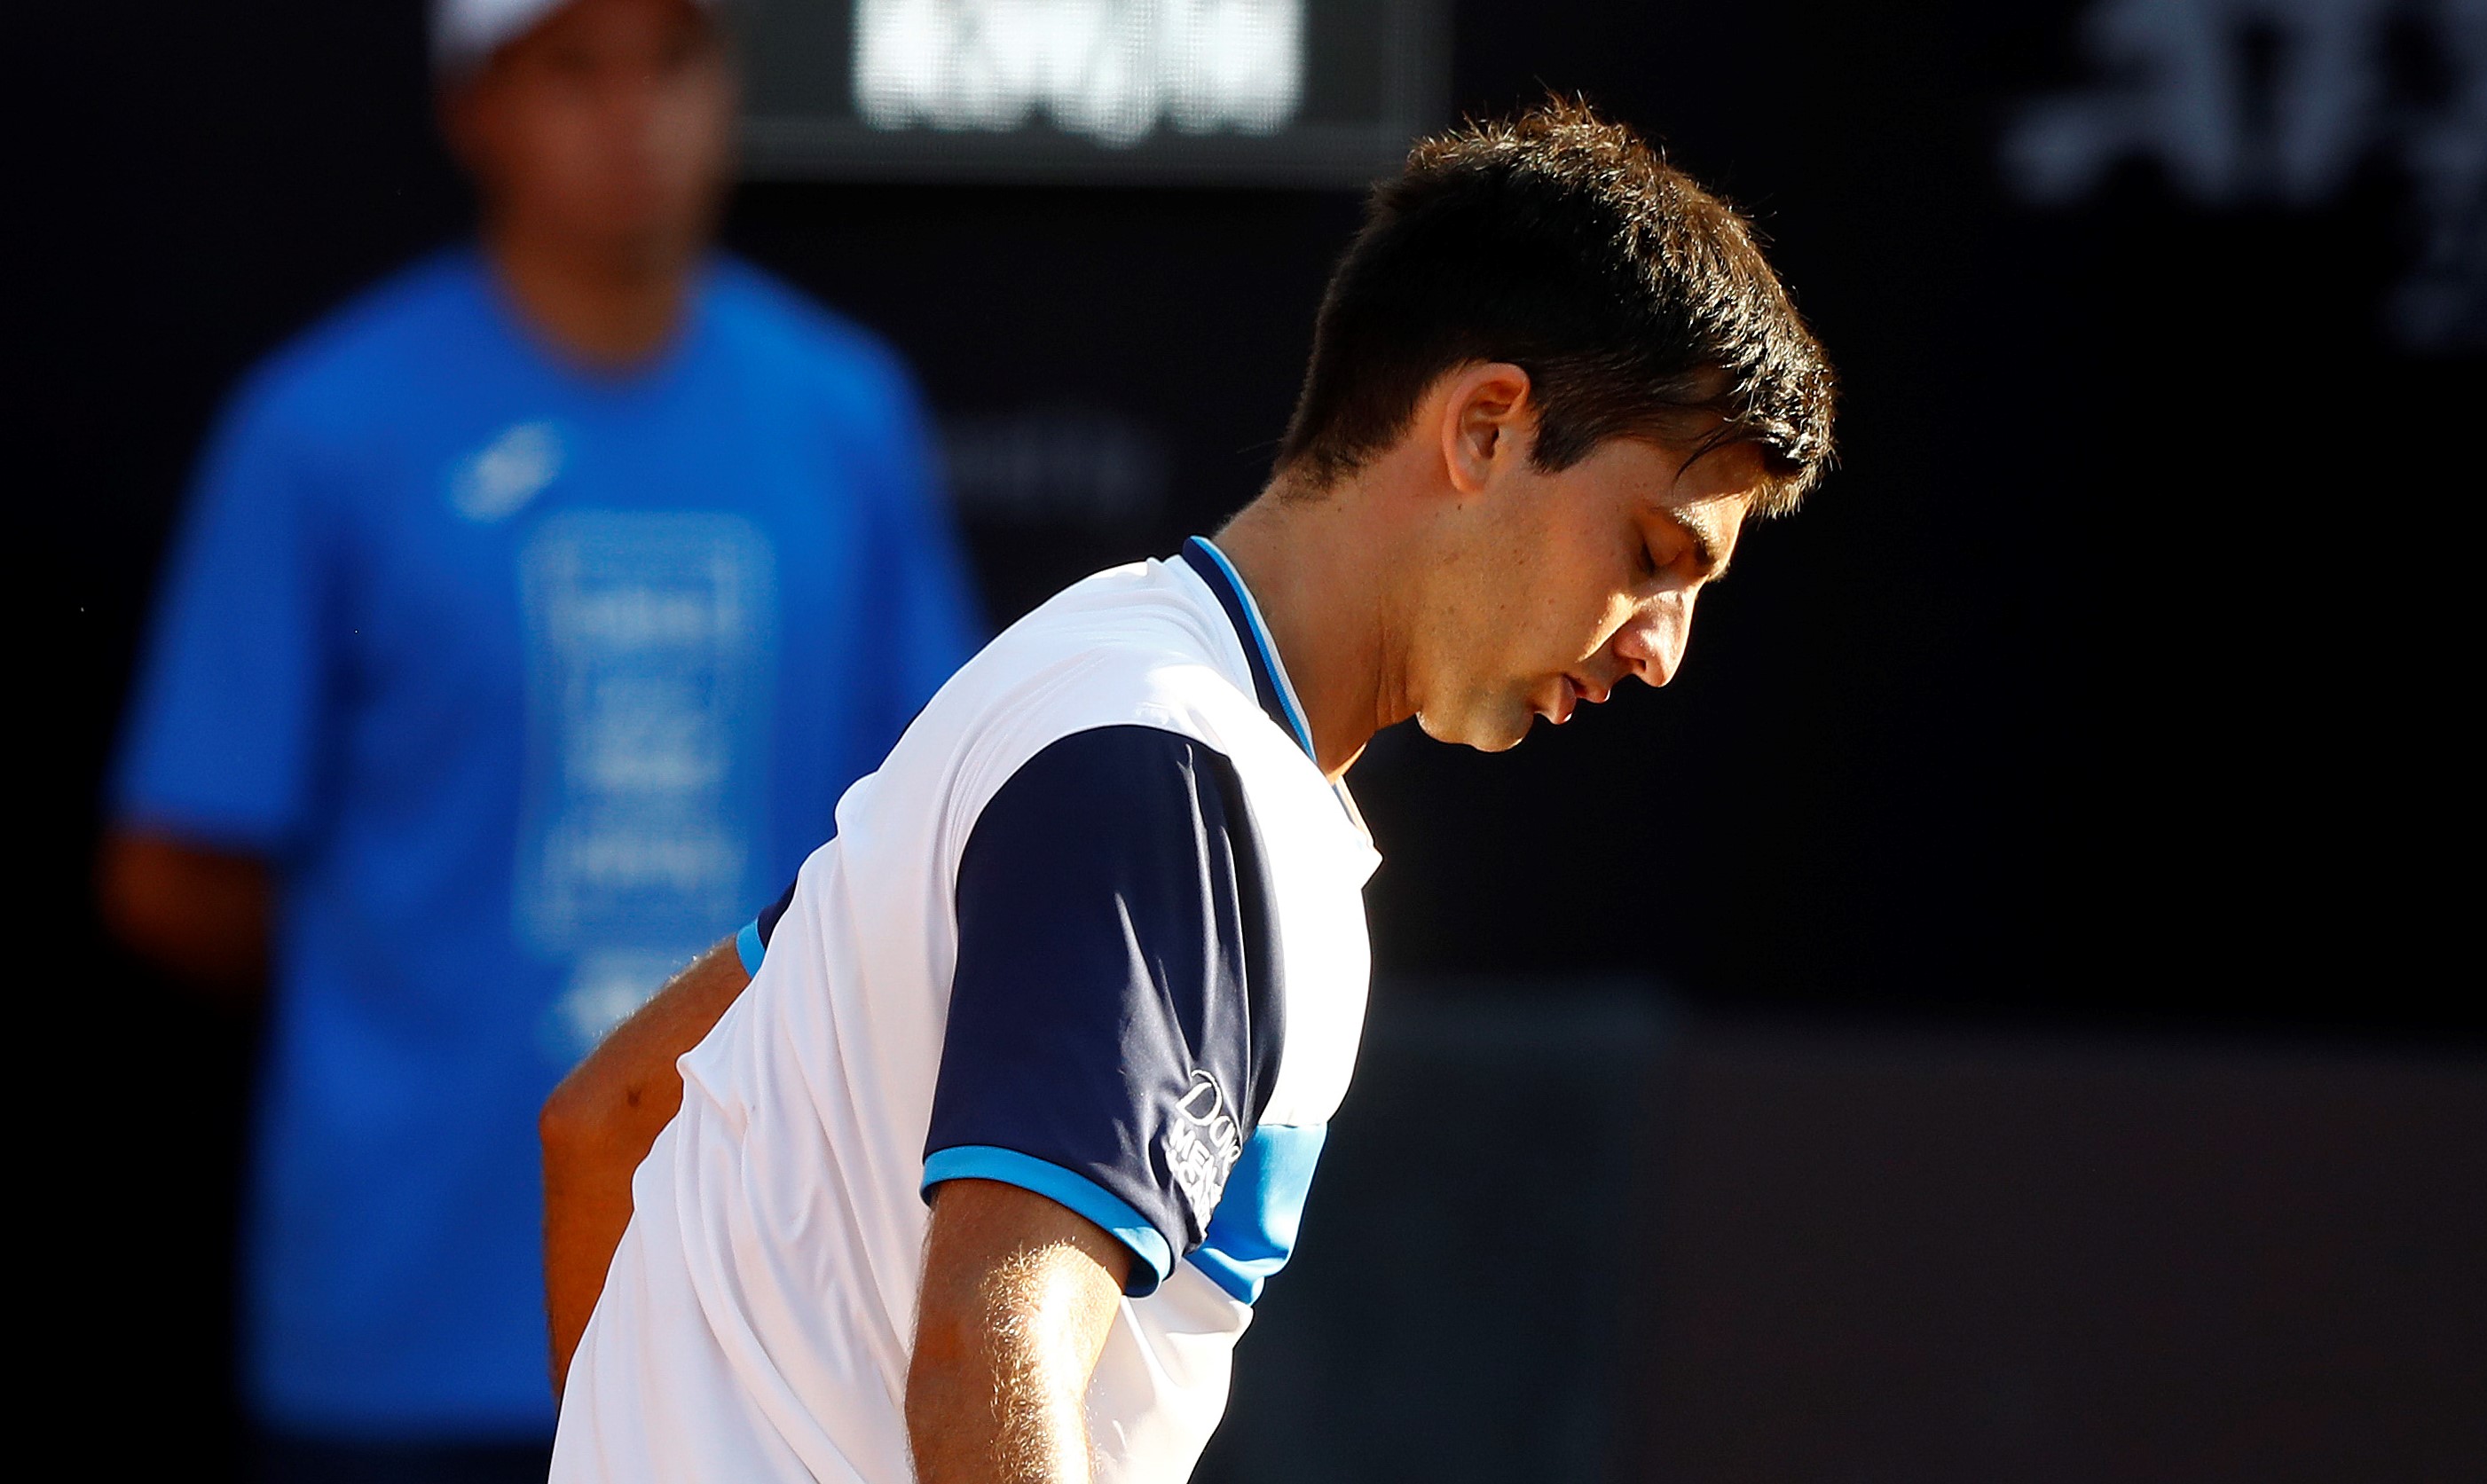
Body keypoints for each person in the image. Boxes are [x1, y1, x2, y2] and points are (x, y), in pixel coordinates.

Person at [542, 101, 1837, 1484]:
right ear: (1482, 427)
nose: (1657, 646)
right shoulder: (1178, 771)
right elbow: (989, 1379)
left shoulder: (1076, 676)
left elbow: (612, 1115)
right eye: (1650, 551)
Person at [100, 0, 982, 1476]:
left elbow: (943, 839)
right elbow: (175, 870)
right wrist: (404, 990)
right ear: (475, 109)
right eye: (574, 66)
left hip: (753, 1314)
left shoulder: (843, 417)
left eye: (674, 60)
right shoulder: (320, 428)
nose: (632, 112)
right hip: (407, 1331)